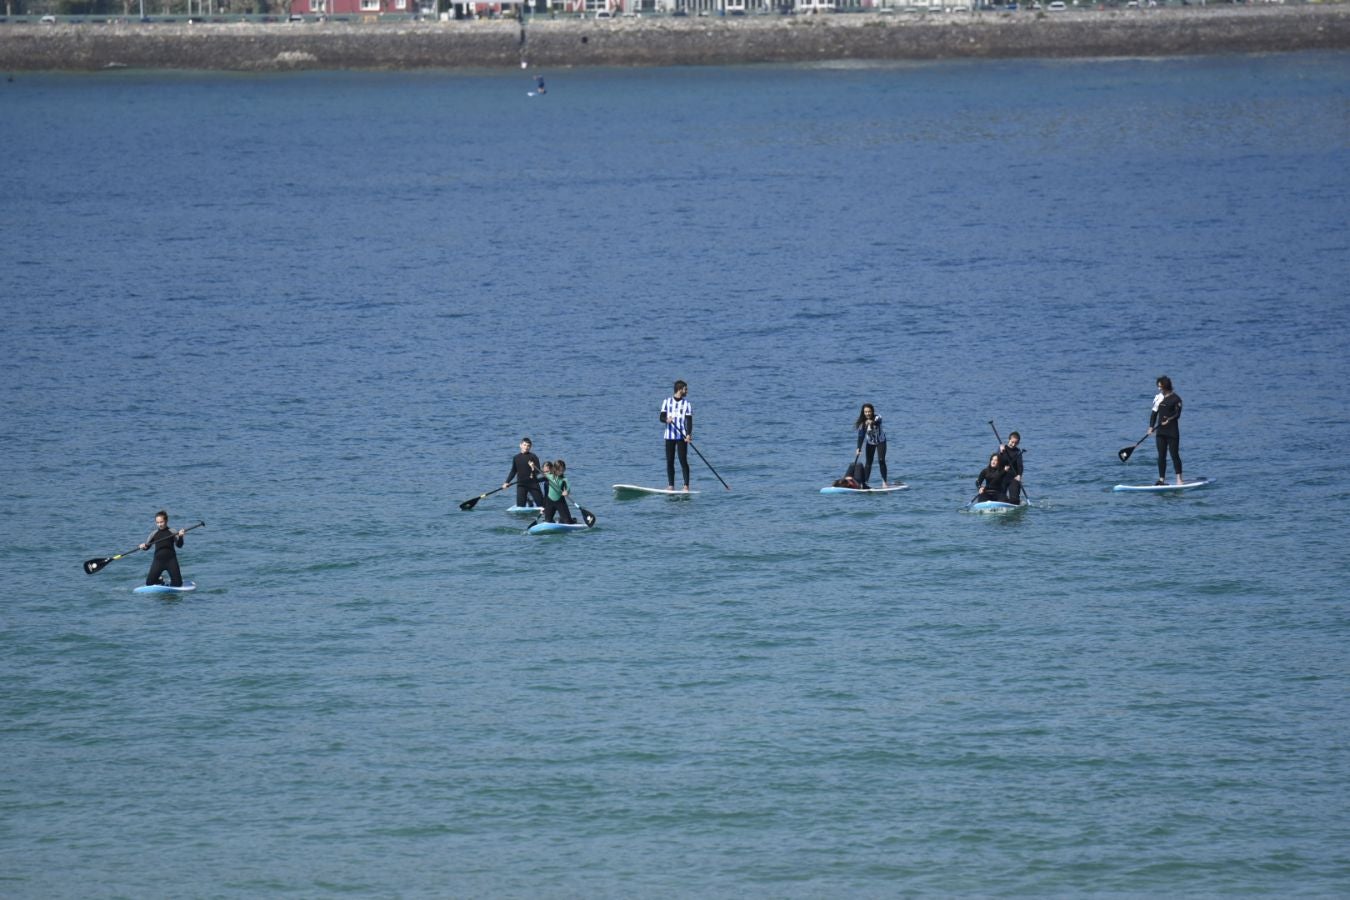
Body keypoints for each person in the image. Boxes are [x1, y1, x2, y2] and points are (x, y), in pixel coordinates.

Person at [1148, 375, 1183, 485]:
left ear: (1166, 386)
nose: (1159, 389)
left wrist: (1169, 420)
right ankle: (1162, 479)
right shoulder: (1158, 398)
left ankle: (1179, 479)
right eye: (1158, 387)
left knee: (1174, 455)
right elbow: (1154, 414)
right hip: (1160, 432)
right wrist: (1151, 427)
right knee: (1161, 456)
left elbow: (1177, 414)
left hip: (1172, 432)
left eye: (1161, 387)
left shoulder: (1176, 399)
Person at [660, 380, 693, 492]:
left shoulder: (686, 404)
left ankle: (686, 486)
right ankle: (671, 486)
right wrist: (666, 420)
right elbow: (661, 417)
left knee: (683, 460)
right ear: (680, 389)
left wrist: (688, 434)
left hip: (681, 437)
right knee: (670, 461)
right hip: (669, 436)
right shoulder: (666, 401)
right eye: (685, 389)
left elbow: (689, 421)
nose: (686, 391)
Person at [140, 510, 188, 587]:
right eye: (157, 522)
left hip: (171, 561)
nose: (159, 524)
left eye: (161, 522)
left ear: (166, 521)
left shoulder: (172, 531)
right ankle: (160, 580)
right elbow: (147, 547)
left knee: (178, 584)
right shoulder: (154, 534)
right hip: (158, 561)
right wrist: (143, 547)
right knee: (149, 583)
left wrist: (181, 536)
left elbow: (179, 545)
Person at [853, 403, 889, 488]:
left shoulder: (878, 417)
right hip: (870, 443)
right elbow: (861, 436)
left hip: (881, 442)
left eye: (869, 411)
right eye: (865, 412)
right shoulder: (862, 423)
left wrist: (872, 422)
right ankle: (865, 482)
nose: (867, 413)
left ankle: (884, 482)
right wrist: (858, 448)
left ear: (872, 411)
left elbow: (877, 423)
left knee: (881, 460)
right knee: (868, 463)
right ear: (863, 412)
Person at [503, 437, 545, 509]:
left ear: (530, 447)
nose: (526, 447)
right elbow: (513, 471)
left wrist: (532, 467)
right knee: (520, 507)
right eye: (524, 445)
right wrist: (507, 482)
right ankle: (529, 501)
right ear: (520, 445)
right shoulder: (516, 458)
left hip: (533, 483)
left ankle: (530, 501)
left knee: (541, 505)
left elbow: (538, 472)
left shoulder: (533, 457)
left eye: (528, 446)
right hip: (521, 484)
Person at [542, 459, 574, 524]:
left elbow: (568, 487)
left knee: (568, 522)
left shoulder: (564, 479)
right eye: (559, 470)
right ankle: (554, 521)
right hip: (549, 502)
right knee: (547, 521)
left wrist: (566, 492)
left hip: (560, 502)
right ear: (554, 469)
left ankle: (572, 520)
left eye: (563, 470)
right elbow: (537, 477)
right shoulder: (549, 476)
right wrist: (532, 467)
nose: (561, 472)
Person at [997, 430, 1024, 504]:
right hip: (1002, 477)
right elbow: (996, 462)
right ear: (1009, 440)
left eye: (1016, 443)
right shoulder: (1002, 448)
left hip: (1013, 477)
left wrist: (1019, 475)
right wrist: (1000, 452)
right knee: (1001, 500)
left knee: (1014, 501)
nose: (1013, 444)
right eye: (1012, 442)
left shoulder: (1018, 452)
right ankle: (1004, 499)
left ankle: (1014, 501)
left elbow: (1020, 465)